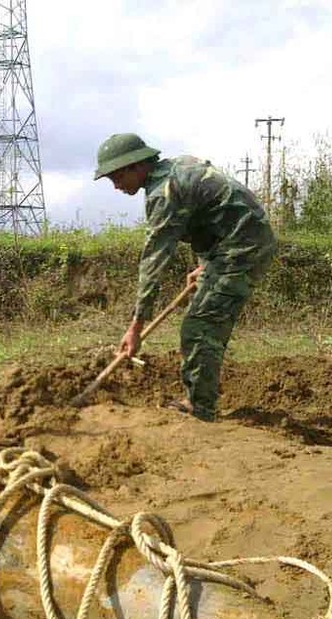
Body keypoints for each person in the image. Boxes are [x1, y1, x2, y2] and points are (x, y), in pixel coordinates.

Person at [94, 133, 276, 422]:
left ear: (136, 166)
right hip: (234, 244)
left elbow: (154, 260)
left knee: (199, 327)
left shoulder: (163, 192)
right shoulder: (176, 169)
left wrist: (136, 326)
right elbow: (213, 214)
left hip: (242, 249)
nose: (116, 186)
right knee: (201, 324)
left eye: (117, 177)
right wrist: (206, 262)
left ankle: (200, 408)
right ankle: (201, 401)